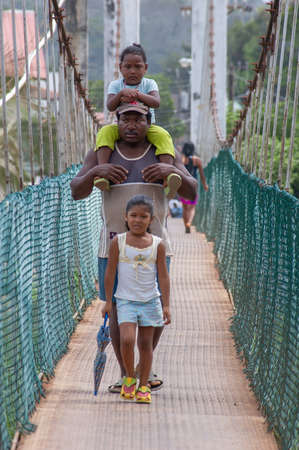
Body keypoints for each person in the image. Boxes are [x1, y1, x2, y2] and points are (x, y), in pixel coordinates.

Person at [70, 102, 197, 393]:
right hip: (113, 246)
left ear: (148, 122)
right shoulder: (102, 152)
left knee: (155, 307)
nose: (131, 125)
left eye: (137, 120)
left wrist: (170, 169)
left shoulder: (161, 151)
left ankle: (144, 368)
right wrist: (96, 172)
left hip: (156, 246)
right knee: (116, 310)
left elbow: (191, 190)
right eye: (124, 119)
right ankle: (127, 374)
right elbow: (76, 190)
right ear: (117, 122)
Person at [102, 195, 171, 404]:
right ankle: (129, 377)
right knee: (127, 340)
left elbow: (163, 276)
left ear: (152, 219)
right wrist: (107, 302)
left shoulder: (157, 245)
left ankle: (143, 386)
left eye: (143, 216)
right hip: (125, 301)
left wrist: (166, 305)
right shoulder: (118, 242)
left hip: (150, 300)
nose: (138, 220)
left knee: (145, 344)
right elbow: (110, 273)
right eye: (133, 215)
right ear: (125, 217)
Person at [93, 43, 181, 199]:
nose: (132, 71)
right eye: (128, 67)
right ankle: (102, 173)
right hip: (121, 128)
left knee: (163, 135)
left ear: (145, 68)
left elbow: (156, 102)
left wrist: (138, 95)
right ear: (120, 68)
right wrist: (121, 94)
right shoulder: (116, 85)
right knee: (104, 132)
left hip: (147, 127)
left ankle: (167, 176)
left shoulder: (149, 83)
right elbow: (110, 106)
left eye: (138, 67)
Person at [178, 142, 209, 233]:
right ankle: (189, 223)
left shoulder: (180, 160)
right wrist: (205, 185)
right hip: (193, 185)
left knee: (185, 208)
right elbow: (202, 175)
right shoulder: (197, 160)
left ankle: (185, 225)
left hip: (182, 185)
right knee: (192, 207)